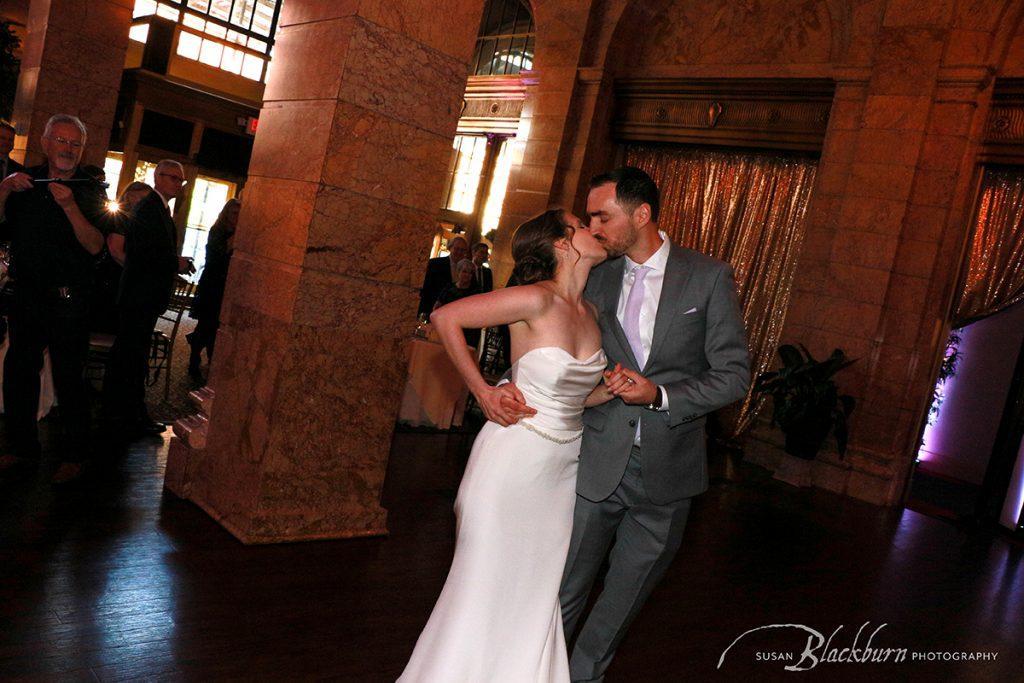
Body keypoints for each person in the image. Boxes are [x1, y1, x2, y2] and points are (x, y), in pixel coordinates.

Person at [555, 167, 750, 682]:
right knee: (564, 590)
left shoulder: (708, 277)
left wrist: (661, 394)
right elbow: (552, 339)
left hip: (668, 473)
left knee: (624, 598)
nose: (594, 227)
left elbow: (733, 377)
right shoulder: (592, 273)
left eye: (604, 216)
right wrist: (506, 383)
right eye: (591, 217)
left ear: (641, 215)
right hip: (595, 460)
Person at [399, 209, 609, 682]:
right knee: (482, 586)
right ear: (561, 244)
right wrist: (484, 391)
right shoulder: (534, 299)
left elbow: (571, 398)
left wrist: (608, 389)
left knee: (535, 592)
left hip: (559, 473)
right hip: (510, 463)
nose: (594, 231)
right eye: (581, 225)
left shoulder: (591, 313)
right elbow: (446, 316)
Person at [0, 114, 110, 484]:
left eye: (75, 144)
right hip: (27, 295)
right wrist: (3, 190)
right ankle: (20, 447)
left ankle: (75, 455)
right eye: (61, 141)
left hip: (69, 300)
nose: (67, 149)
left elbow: (96, 246)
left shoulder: (90, 189)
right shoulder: (24, 183)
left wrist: (70, 208)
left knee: (69, 378)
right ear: (45, 143)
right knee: (19, 372)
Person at [103, 161, 193, 437]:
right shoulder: (149, 208)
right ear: (159, 177)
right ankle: (127, 415)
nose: (180, 184)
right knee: (131, 357)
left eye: (182, 180)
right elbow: (142, 252)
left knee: (131, 356)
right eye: (175, 179)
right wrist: (174, 263)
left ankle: (123, 413)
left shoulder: (159, 207)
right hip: (139, 295)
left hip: (142, 295)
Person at [187, 198, 240, 382]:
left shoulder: (241, 234)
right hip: (213, 284)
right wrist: (232, 241)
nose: (237, 217)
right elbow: (214, 259)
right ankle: (197, 360)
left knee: (214, 326)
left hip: (227, 286)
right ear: (227, 214)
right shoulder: (217, 231)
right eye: (234, 213)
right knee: (207, 324)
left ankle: (208, 361)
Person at [91, 181, 152, 334]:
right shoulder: (122, 218)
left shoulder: (133, 220)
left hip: (116, 278)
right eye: (143, 199)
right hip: (111, 281)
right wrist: (141, 272)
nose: (148, 205)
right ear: (130, 197)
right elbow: (116, 250)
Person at [417, 235, 469, 318]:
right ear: (450, 248)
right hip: (432, 311)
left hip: (454, 314)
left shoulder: (467, 270)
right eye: (457, 249)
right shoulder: (435, 264)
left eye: (462, 250)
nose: (459, 252)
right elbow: (426, 289)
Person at [433, 258, 481, 347]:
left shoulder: (475, 292)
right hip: (445, 327)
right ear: (458, 272)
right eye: (464, 271)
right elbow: (437, 307)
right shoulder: (449, 288)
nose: (467, 275)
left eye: (470, 273)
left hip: (465, 332)